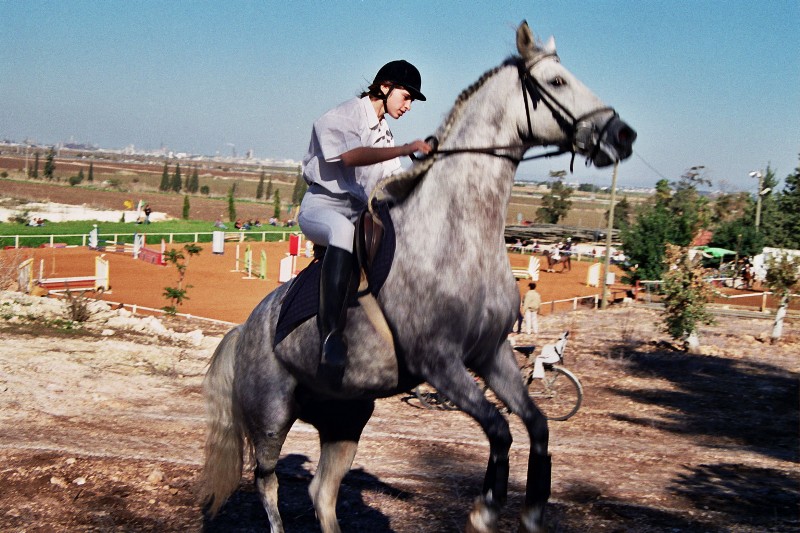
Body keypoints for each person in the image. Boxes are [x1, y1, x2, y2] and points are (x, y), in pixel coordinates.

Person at [297, 59, 431, 384]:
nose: (409, 105)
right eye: (407, 96)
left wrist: (431, 169)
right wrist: (404, 147)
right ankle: (330, 337)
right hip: (323, 207)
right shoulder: (344, 115)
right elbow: (350, 157)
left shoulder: (384, 134)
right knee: (342, 230)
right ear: (384, 87)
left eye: (412, 100)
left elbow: (393, 180)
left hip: (359, 212)